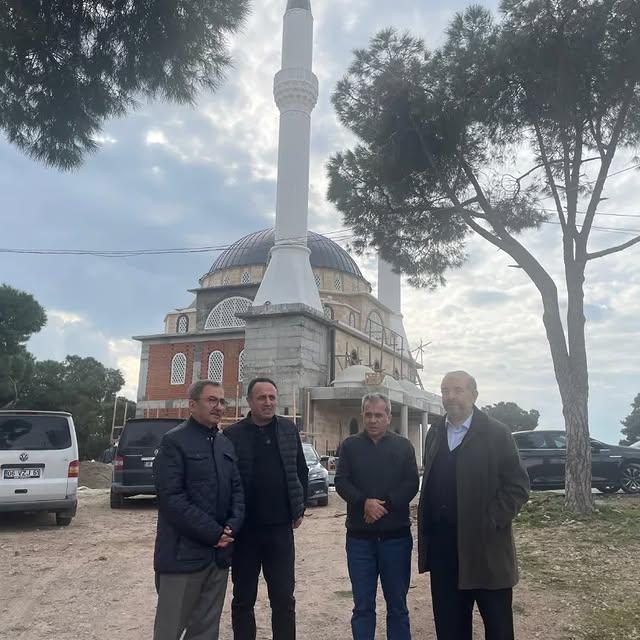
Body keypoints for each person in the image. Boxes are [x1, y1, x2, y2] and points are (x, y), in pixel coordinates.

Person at [417, 371, 530, 640]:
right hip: (445, 552)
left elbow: (518, 486)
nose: (450, 397)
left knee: (498, 628)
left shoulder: (496, 433)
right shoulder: (434, 432)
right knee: (450, 628)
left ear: (474, 395)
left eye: (457, 390)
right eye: (445, 391)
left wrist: (491, 520)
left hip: (487, 550)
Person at [152, 380, 244, 640]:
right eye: (212, 400)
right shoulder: (174, 442)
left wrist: (232, 526)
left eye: (222, 401)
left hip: (217, 558)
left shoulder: (225, 444)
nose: (219, 407)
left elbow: (237, 490)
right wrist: (213, 533)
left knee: (205, 631)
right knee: (169, 630)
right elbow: (172, 499)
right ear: (192, 405)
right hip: (182, 557)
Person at [224, 377, 309, 640]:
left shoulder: (287, 430)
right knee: (243, 598)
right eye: (262, 398)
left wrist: (299, 509)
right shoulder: (232, 435)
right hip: (246, 532)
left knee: (283, 598)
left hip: (280, 531)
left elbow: (301, 471)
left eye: (272, 397)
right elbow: (225, 482)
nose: (268, 402)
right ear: (249, 401)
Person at [335, 393, 419, 640]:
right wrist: (364, 503)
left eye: (378, 415)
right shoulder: (350, 446)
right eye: (368, 415)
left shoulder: (404, 446)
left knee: (397, 607)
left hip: (396, 539)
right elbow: (341, 481)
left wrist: (384, 506)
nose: (373, 420)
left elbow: (411, 483)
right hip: (360, 541)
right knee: (362, 607)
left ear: (388, 417)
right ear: (363, 415)